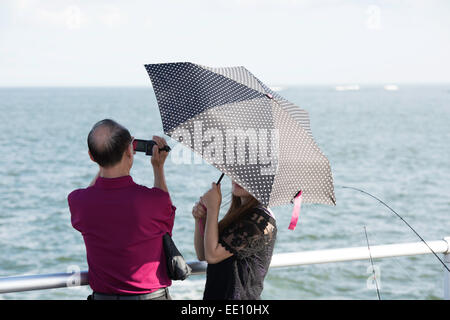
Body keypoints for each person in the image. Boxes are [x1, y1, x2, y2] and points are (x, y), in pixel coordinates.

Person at [68, 119, 175, 300]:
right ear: (129, 151)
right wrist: (158, 168)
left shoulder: (78, 201)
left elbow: (91, 193)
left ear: (91, 157)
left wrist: (104, 161)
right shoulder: (152, 200)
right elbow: (166, 228)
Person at [192, 180, 277, 300]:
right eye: (239, 174)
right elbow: (203, 254)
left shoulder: (260, 220)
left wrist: (213, 208)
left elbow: (212, 255)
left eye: (249, 176)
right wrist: (201, 218)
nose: (239, 179)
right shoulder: (240, 214)